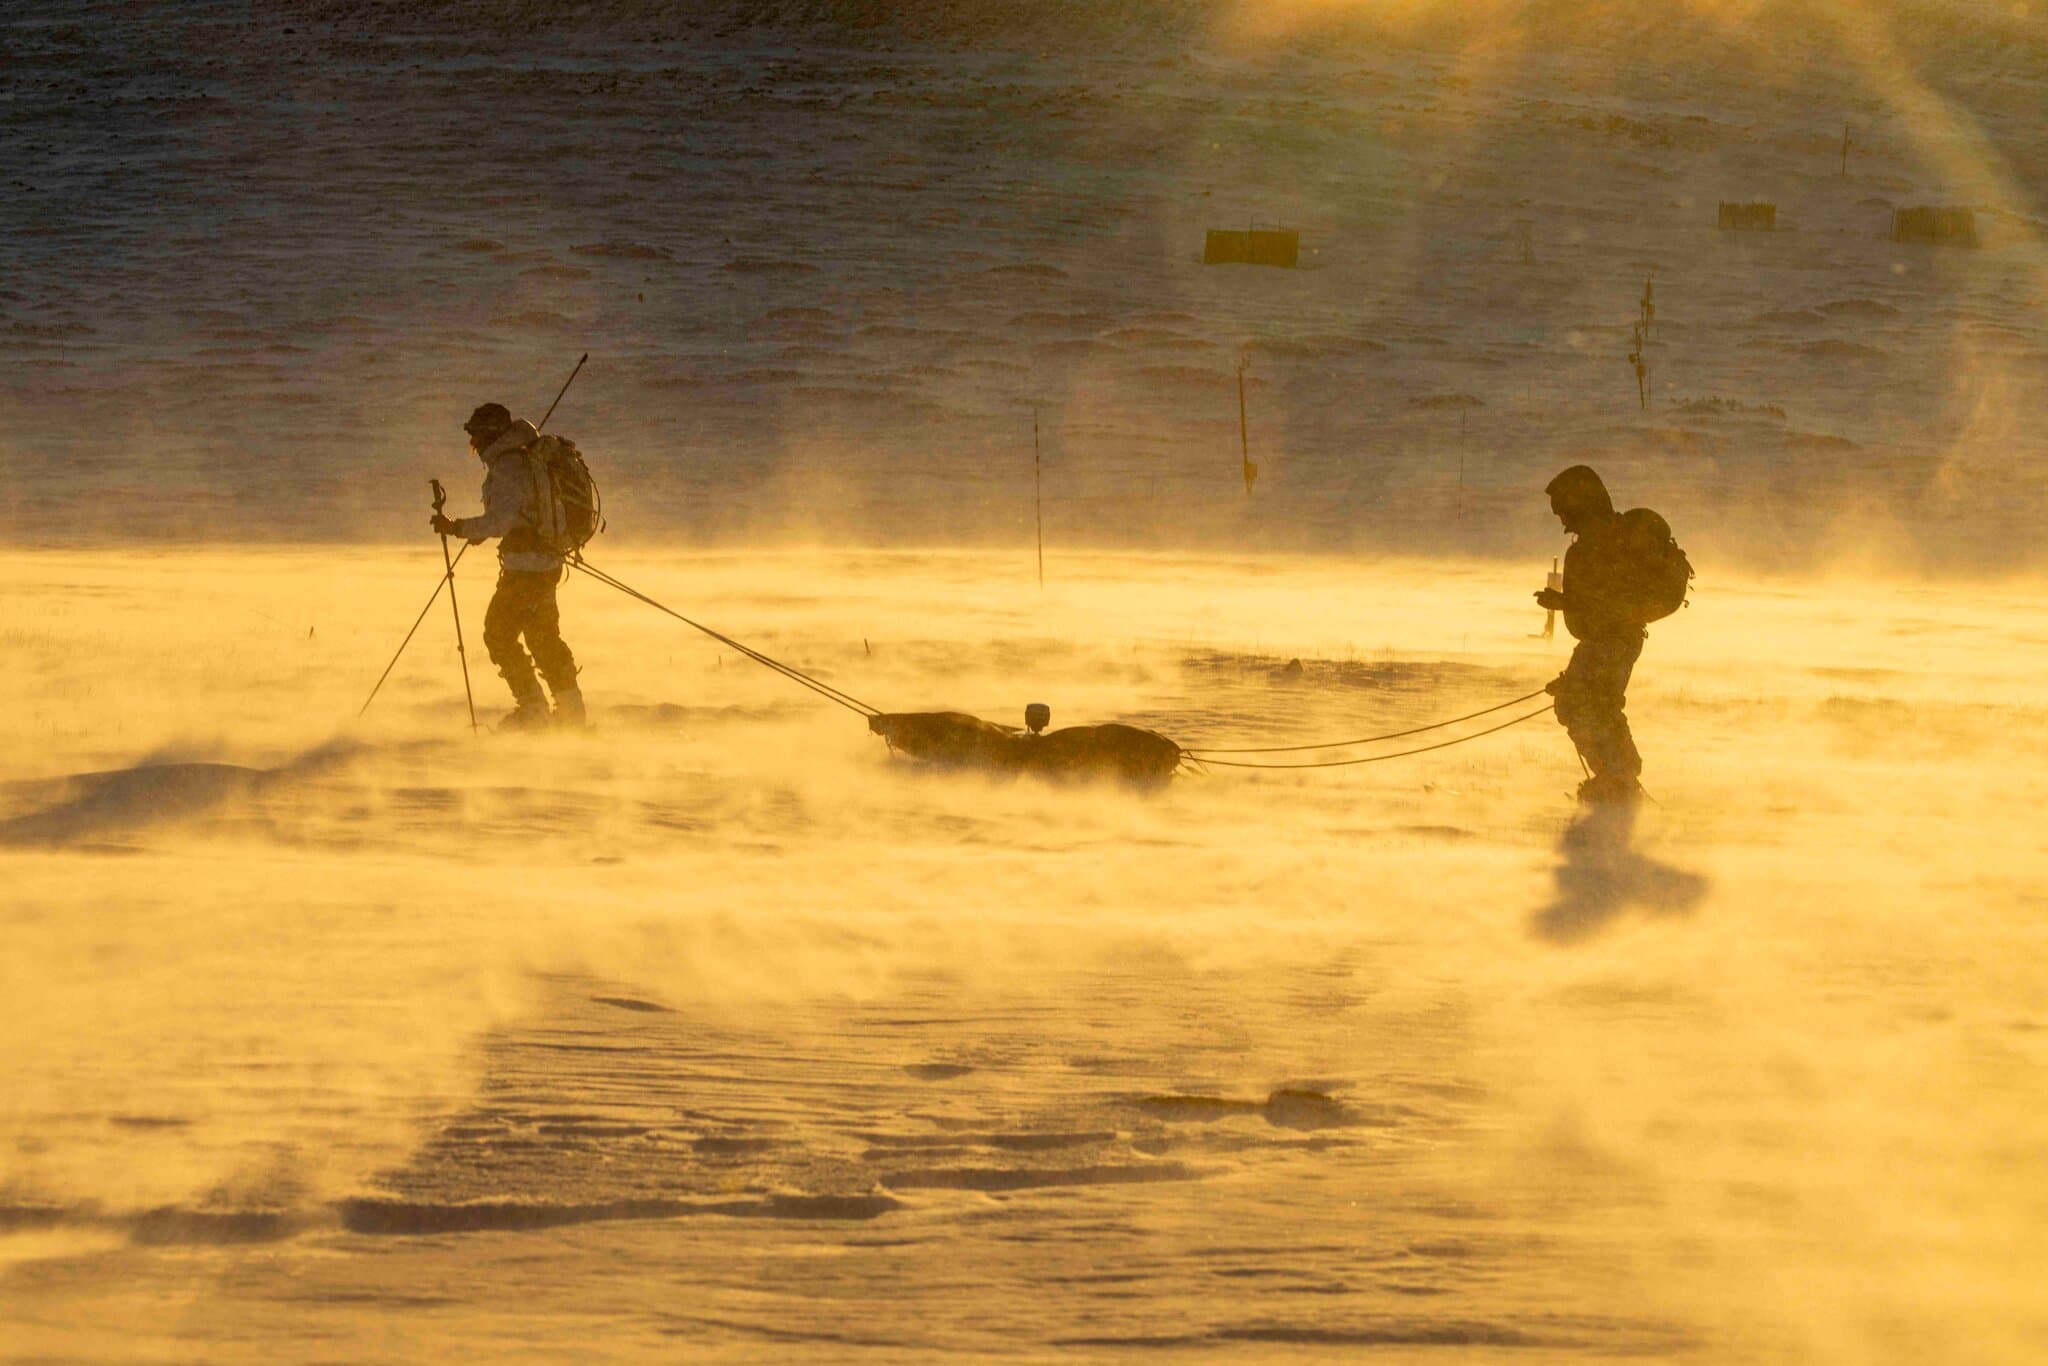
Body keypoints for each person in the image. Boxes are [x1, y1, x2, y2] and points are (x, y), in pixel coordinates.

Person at [432, 403, 584, 731]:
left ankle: (534, 712)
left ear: (490, 435)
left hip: (527, 570)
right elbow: (515, 516)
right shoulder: (520, 458)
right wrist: (477, 532)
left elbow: (499, 521)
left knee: (498, 635)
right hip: (543, 564)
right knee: (543, 637)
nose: (474, 446)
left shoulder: (509, 466)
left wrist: (457, 528)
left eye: (475, 438)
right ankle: (571, 714)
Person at [1533, 465, 1644, 803]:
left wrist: (1563, 601)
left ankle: (1617, 783)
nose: (1563, 522)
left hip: (1611, 641)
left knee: (1591, 706)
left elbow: (1606, 604)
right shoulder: (1602, 542)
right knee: (1583, 703)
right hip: (1610, 642)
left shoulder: (1599, 547)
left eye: (1564, 512)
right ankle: (1615, 779)